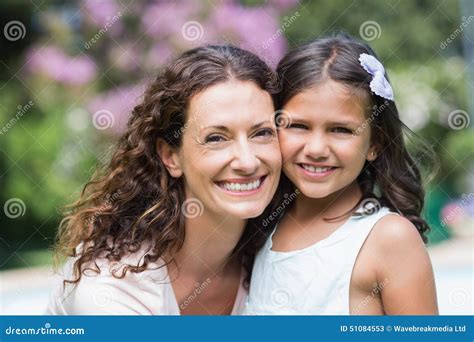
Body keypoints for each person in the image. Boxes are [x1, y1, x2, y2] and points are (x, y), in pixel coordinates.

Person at [46, 44, 282, 315]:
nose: (248, 161)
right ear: (171, 156)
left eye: (262, 133)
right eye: (216, 138)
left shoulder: (279, 254)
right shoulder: (112, 285)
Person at [244, 35, 439, 315]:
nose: (317, 149)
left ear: (374, 143)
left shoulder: (389, 239)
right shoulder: (260, 223)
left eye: (341, 130)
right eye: (298, 125)